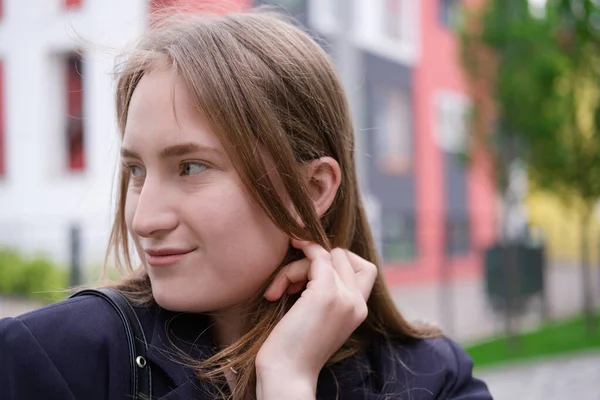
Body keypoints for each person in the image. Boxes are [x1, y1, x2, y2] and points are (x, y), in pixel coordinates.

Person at [0, 9, 492, 400]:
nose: (144, 220)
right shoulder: (49, 360)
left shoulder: (433, 378)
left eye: (190, 167)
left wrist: (287, 381)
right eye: (136, 170)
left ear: (314, 190)